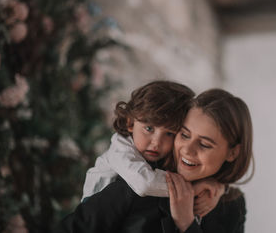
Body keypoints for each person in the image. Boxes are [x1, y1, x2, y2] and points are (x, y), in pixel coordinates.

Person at [56, 88, 253, 233]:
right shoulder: (133, 182)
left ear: (232, 153)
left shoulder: (232, 205)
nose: (187, 150)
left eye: (204, 144)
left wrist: (187, 224)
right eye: (184, 135)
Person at [81, 80, 223, 216]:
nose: (157, 142)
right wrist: (192, 189)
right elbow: (145, 183)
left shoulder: (166, 156)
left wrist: (218, 188)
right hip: (94, 215)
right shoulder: (120, 151)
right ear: (130, 123)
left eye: (169, 133)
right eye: (149, 128)